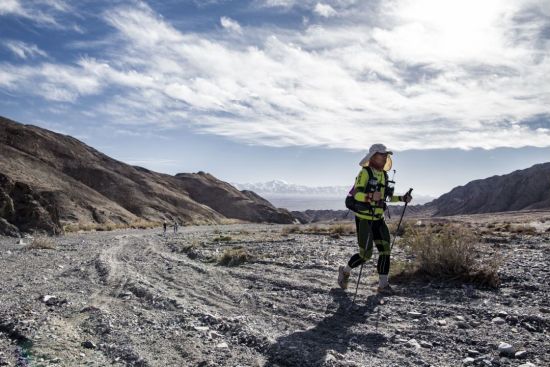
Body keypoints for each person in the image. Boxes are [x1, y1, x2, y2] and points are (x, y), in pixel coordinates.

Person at [338, 144, 412, 295]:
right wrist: (370, 196)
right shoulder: (364, 173)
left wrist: (402, 198)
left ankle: (383, 285)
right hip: (364, 219)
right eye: (381, 155)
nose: (385, 158)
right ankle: (345, 271)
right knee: (366, 255)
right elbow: (356, 194)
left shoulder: (384, 175)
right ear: (373, 157)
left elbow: (387, 197)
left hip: (379, 219)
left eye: (386, 156)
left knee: (385, 251)